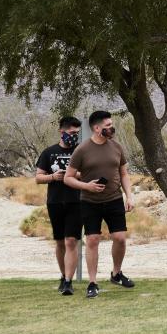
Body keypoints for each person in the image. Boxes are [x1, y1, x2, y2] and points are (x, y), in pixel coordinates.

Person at [64, 110, 136, 298]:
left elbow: (124, 174)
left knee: (120, 238)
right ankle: (92, 282)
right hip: (89, 202)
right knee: (93, 240)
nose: (111, 128)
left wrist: (129, 196)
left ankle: (116, 273)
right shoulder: (82, 150)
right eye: (107, 126)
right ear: (96, 128)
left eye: (111, 125)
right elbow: (68, 178)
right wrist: (86, 186)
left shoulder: (117, 147)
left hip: (114, 199)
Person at [33, 115, 84, 296]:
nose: (74, 136)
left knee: (72, 241)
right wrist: (53, 177)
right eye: (71, 132)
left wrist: (73, 176)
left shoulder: (81, 151)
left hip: (76, 201)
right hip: (55, 202)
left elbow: (87, 173)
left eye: (77, 133)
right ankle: (63, 276)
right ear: (61, 131)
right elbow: (38, 177)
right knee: (60, 242)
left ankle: (69, 281)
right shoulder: (48, 152)